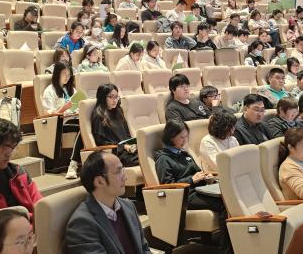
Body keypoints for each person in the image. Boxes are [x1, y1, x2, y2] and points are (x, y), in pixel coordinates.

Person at [154, 119, 232, 254]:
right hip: (185, 196)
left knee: (230, 196)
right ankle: (227, 250)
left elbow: (197, 172)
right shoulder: (163, 159)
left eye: (186, 136)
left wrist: (205, 176)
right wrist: (191, 179)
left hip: (199, 189)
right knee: (224, 204)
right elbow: (167, 186)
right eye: (181, 137)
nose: (185, 140)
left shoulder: (183, 153)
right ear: (171, 137)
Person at [65, 151, 151, 254]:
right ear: (99, 181)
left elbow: (144, 249)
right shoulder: (82, 224)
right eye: (118, 172)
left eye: (122, 170)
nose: (125, 177)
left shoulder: (128, 206)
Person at [41, 62, 83, 178]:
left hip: (74, 118)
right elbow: (48, 114)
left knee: (89, 125)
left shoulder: (71, 89)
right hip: (59, 123)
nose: (67, 77)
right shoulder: (49, 91)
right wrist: (64, 108)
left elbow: (78, 105)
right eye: (64, 74)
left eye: (69, 74)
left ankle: (78, 162)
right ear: (57, 74)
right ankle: (73, 164)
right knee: (83, 129)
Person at [91, 84, 138, 167]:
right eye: (111, 97)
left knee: (151, 153)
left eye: (116, 97)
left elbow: (127, 134)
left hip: (129, 151)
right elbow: (101, 142)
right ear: (103, 97)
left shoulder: (119, 111)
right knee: (145, 159)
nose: (115, 100)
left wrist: (132, 144)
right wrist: (123, 146)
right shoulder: (98, 116)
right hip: (116, 153)